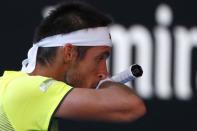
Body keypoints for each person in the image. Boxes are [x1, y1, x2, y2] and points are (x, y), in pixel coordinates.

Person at [0, 1, 146, 131]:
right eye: (99, 58)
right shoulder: (26, 90)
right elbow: (131, 106)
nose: (104, 72)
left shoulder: (14, 86)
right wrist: (104, 82)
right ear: (69, 52)